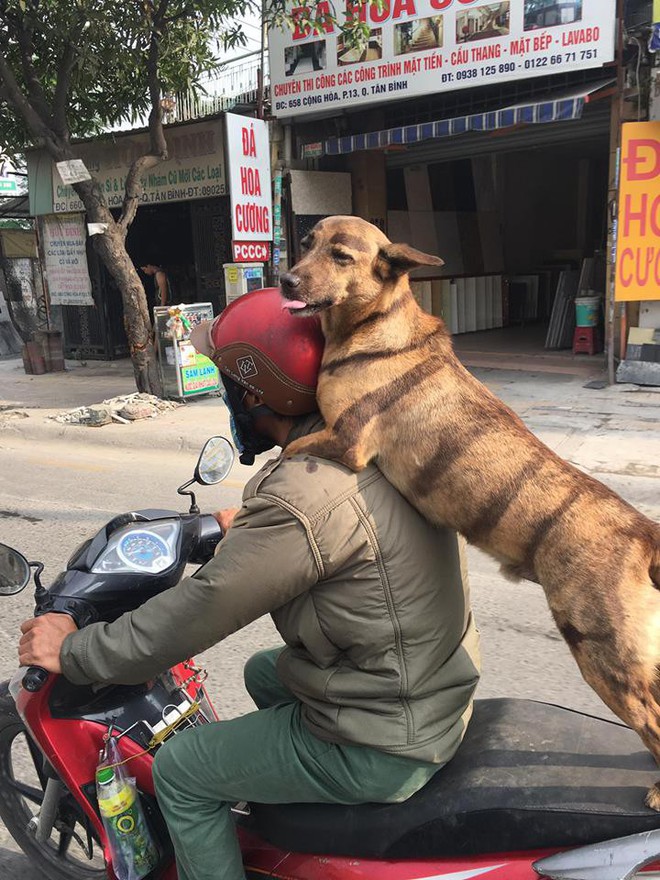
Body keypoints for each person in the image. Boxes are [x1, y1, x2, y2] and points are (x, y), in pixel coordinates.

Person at [18, 287, 481, 880]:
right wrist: (254, 526)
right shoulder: (378, 442)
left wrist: (76, 650)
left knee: (183, 770)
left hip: (389, 739)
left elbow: (202, 608)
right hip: (430, 685)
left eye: (230, 386)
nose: (228, 401)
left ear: (259, 391)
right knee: (262, 669)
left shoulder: (305, 498)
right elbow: (332, 532)